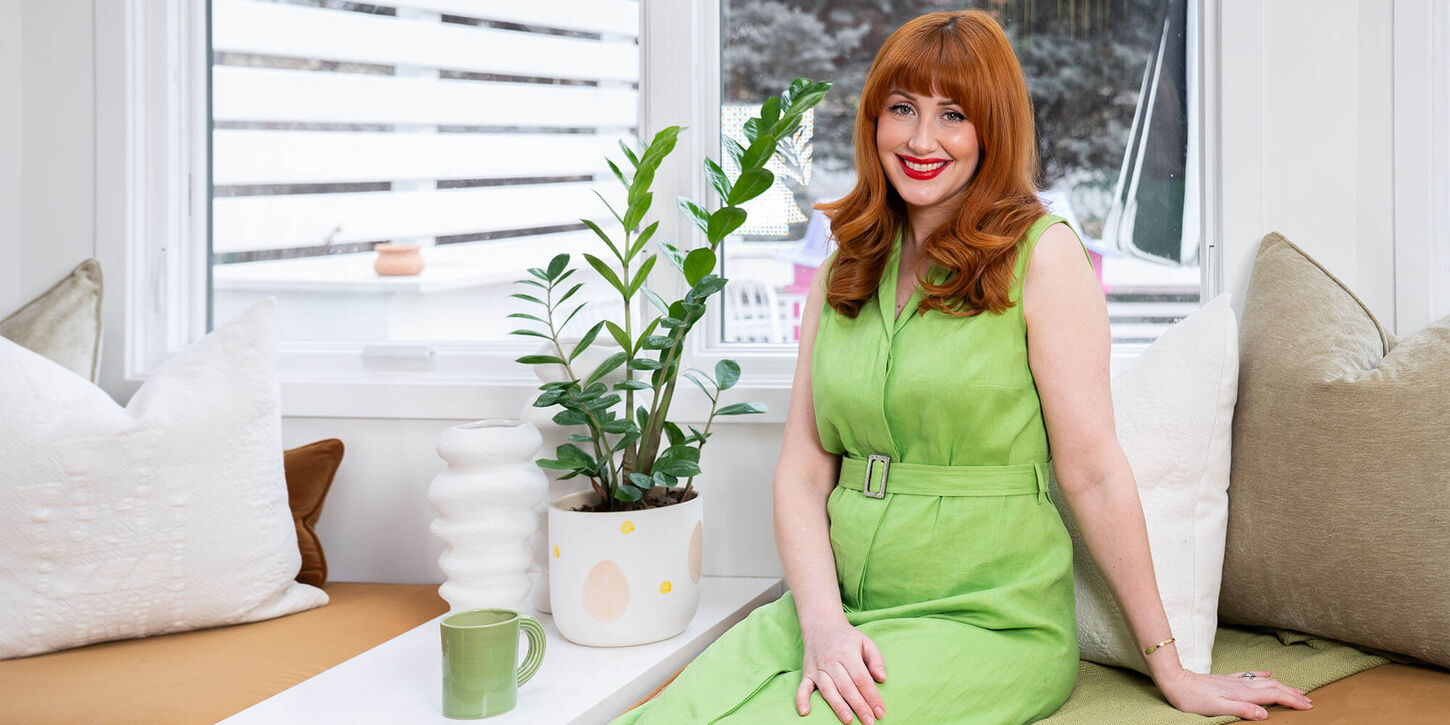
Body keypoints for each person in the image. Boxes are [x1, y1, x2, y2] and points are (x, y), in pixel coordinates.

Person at [612, 10, 1315, 724]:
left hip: (988, 622)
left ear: (991, 130)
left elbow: (1095, 471)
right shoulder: (841, 272)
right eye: (902, 109)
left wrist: (1173, 665)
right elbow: (801, 469)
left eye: (953, 114)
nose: (922, 139)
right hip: (836, 610)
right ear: (873, 120)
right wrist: (822, 623)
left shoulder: (1044, 258)